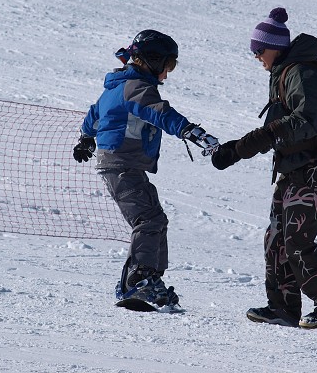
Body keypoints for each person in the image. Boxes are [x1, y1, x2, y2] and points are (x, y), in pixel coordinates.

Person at [211, 8, 317, 329]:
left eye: (259, 50)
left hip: (314, 168)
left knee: (297, 239)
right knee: (276, 239)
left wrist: (251, 142)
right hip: (293, 170)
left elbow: (306, 120)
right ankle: (284, 308)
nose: (256, 56)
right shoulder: (284, 75)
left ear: (275, 46)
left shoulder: (301, 74)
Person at [73, 29, 219, 308]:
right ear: (152, 60)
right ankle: (139, 281)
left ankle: (147, 278)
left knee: (154, 219)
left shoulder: (117, 86)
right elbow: (159, 112)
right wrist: (192, 132)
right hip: (121, 163)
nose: (167, 74)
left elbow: (94, 113)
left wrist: (86, 138)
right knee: (148, 220)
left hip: (122, 164)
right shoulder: (136, 88)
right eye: (168, 66)